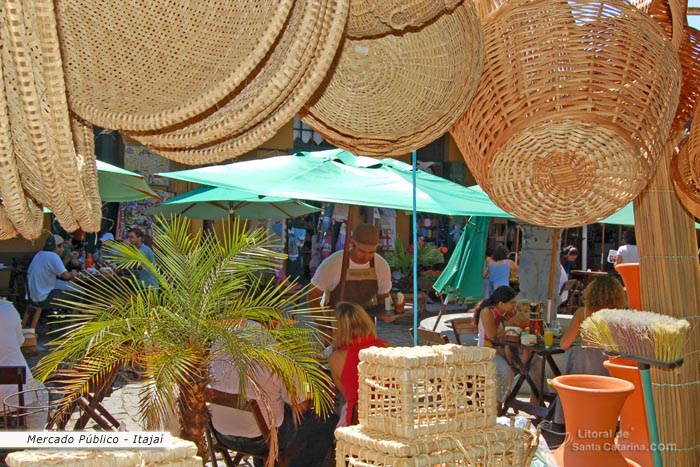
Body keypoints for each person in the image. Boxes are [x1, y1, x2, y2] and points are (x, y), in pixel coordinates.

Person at [209, 323, 337, 467]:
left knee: (269, 414)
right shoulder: (274, 350)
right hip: (262, 440)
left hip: (222, 434)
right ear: (273, 320)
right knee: (326, 420)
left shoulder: (221, 341)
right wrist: (308, 385)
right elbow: (300, 404)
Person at [554, 276, 628, 424]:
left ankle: (568, 419)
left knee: (573, 353)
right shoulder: (621, 317)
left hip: (584, 364)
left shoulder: (583, 313)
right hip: (608, 365)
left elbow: (564, 344)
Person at [328, 302, 388, 427]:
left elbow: (347, 394)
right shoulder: (388, 348)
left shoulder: (337, 358)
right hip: (390, 420)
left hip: (358, 422)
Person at [308, 223, 392, 311]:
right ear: (352, 243)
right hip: (336, 320)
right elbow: (312, 296)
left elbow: (384, 297)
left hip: (366, 320)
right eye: (362, 251)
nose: (366, 256)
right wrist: (322, 324)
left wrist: (390, 312)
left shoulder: (381, 266)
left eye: (371, 252)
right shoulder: (332, 264)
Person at [0, 298, 48, 429]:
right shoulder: (7, 309)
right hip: (11, 397)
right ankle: (32, 440)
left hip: (9, 395)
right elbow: (20, 341)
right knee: (40, 393)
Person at [473, 285, 517, 406]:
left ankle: (533, 402)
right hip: (486, 351)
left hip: (504, 349)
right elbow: (493, 336)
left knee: (533, 362)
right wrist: (512, 322)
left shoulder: (508, 312)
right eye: (512, 302)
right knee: (507, 371)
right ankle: (497, 403)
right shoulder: (487, 312)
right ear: (501, 303)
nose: (515, 305)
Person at [27, 234, 79, 307]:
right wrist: (73, 273)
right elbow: (66, 276)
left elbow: (59, 272)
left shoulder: (39, 254)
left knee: (73, 288)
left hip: (34, 296)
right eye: (62, 246)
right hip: (44, 297)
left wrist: (68, 257)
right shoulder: (53, 256)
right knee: (80, 294)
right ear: (56, 247)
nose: (63, 249)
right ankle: (74, 317)